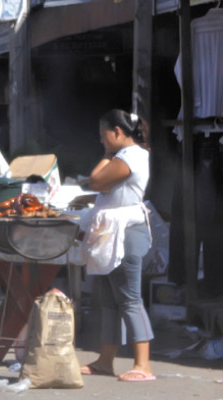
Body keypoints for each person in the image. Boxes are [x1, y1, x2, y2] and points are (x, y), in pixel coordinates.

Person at [80, 109, 155, 382]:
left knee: (130, 299)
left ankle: (143, 365)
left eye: (104, 135)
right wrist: (110, 154)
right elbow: (97, 183)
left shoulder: (132, 156)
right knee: (109, 301)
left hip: (126, 233)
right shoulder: (123, 155)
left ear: (118, 132)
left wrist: (108, 156)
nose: (102, 141)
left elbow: (96, 180)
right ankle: (105, 360)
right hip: (112, 233)